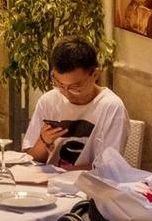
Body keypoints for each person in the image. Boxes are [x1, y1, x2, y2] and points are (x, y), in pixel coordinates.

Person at [26, 40, 130, 171]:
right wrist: (44, 140)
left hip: (89, 187)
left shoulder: (111, 107)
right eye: (59, 84)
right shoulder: (48, 101)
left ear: (95, 75)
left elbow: (110, 168)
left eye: (75, 87)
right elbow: (31, 160)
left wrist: (69, 171)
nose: (66, 92)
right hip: (48, 184)